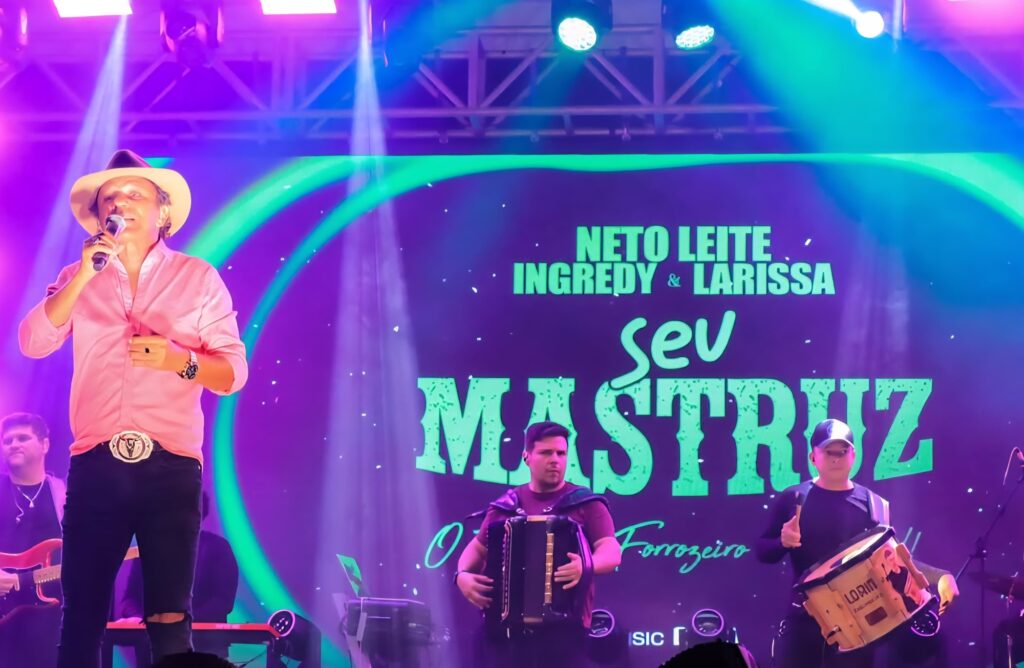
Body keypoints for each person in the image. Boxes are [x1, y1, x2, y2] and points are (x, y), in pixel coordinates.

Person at [19, 149, 248, 668]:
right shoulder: (79, 275)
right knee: (81, 613)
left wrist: (178, 360)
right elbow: (32, 341)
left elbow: (234, 373)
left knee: (169, 616)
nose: (119, 203)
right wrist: (83, 275)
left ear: (162, 212)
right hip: (95, 463)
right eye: (110, 199)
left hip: (171, 467)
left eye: (133, 194)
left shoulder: (197, 277)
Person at [756, 419, 959, 668]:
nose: (836, 458)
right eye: (829, 451)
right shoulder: (794, 498)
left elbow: (892, 560)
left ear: (853, 455)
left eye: (842, 451)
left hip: (859, 632)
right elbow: (762, 551)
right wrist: (782, 542)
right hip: (805, 626)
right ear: (812, 457)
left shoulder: (874, 505)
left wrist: (941, 576)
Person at [454, 421, 622, 668]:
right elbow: (476, 550)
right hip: (504, 634)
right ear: (527, 457)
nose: (555, 460)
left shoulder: (586, 503)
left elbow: (611, 551)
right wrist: (462, 577)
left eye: (561, 453)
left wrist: (586, 565)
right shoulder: (505, 506)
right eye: (546, 453)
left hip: (564, 633)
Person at [118, 491, 239, 660]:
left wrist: (176, 622)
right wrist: (141, 618)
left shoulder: (218, 548)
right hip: (151, 645)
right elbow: (129, 599)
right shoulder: (146, 549)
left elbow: (222, 602)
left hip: (203, 647)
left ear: (199, 514)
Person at [0, 412, 65, 668]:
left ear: (44, 445)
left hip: (48, 620)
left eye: (22, 438)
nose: (13, 444)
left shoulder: (63, 495)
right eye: (7, 440)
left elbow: (79, 556)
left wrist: (22, 580)